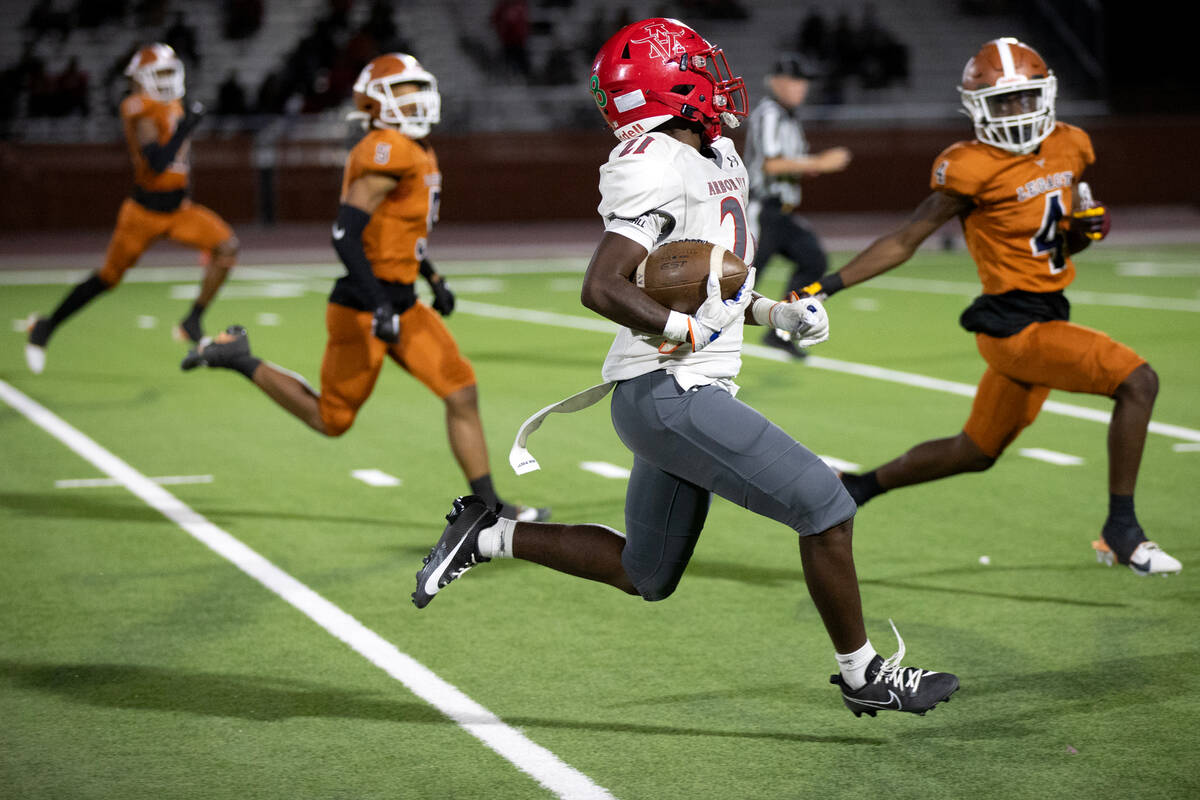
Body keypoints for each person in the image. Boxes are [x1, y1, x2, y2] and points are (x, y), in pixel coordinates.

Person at [411, 18, 958, 718]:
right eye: (700, 64)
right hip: (670, 390)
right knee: (826, 506)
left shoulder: (716, 150)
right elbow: (604, 285)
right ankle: (864, 676)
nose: (719, 74)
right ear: (667, 82)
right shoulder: (653, 160)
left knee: (647, 573)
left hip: (674, 389)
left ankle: (486, 533)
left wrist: (772, 314)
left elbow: (710, 282)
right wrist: (680, 327)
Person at [804, 38, 1181, 576]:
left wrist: (1084, 232)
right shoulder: (970, 165)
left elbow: (1061, 239)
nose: (1014, 111)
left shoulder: (1071, 144)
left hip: (1048, 314)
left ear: (1044, 95)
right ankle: (1121, 529)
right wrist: (827, 286)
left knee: (974, 451)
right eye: (1001, 101)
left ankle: (857, 488)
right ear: (976, 105)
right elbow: (907, 238)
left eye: (1023, 98)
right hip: (1012, 329)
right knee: (1138, 381)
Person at [180, 53, 548, 524]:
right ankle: (238, 356)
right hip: (363, 304)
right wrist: (378, 305)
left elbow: (398, 232)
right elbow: (344, 233)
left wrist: (432, 277)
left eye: (417, 87)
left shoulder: (417, 148)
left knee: (460, 391)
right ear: (374, 101)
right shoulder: (386, 148)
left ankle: (488, 507)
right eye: (401, 90)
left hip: (400, 300)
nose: (413, 98)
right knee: (331, 420)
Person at [25, 43, 238, 375]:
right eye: (160, 74)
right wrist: (187, 126)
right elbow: (155, 162)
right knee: (108, 278)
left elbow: (178, 166)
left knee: (227, 248)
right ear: (141, 78)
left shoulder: (172, 103)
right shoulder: (138, 107)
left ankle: (192, 320)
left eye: (170, 72)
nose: (167, 80)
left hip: (178, 209)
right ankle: (45, 327)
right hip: (143, 213)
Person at [744, 54, 851, 359]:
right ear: (776, 82)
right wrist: (818, 162)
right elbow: (771, 164)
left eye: (804, 82)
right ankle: (697, 336)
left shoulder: (789, 118)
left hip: (783, 213)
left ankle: (783, 330)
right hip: (762, 210)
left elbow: (790, 163)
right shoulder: (769, 114)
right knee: (743, 281)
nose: (801, 88)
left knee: (814, 260)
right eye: (795, 80)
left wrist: (811, 165)